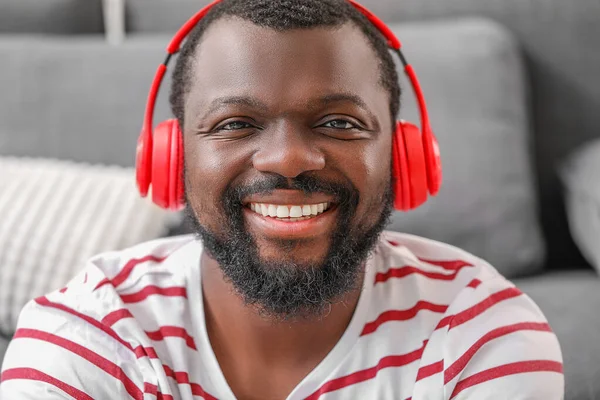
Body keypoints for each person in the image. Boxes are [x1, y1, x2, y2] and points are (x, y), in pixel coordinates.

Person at [0, 0, 564, 399]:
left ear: (403, 155)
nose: (288, 159)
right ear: (173, 157)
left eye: (340, 122)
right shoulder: (84, 338)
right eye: (235, 123)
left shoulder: (484, 335)